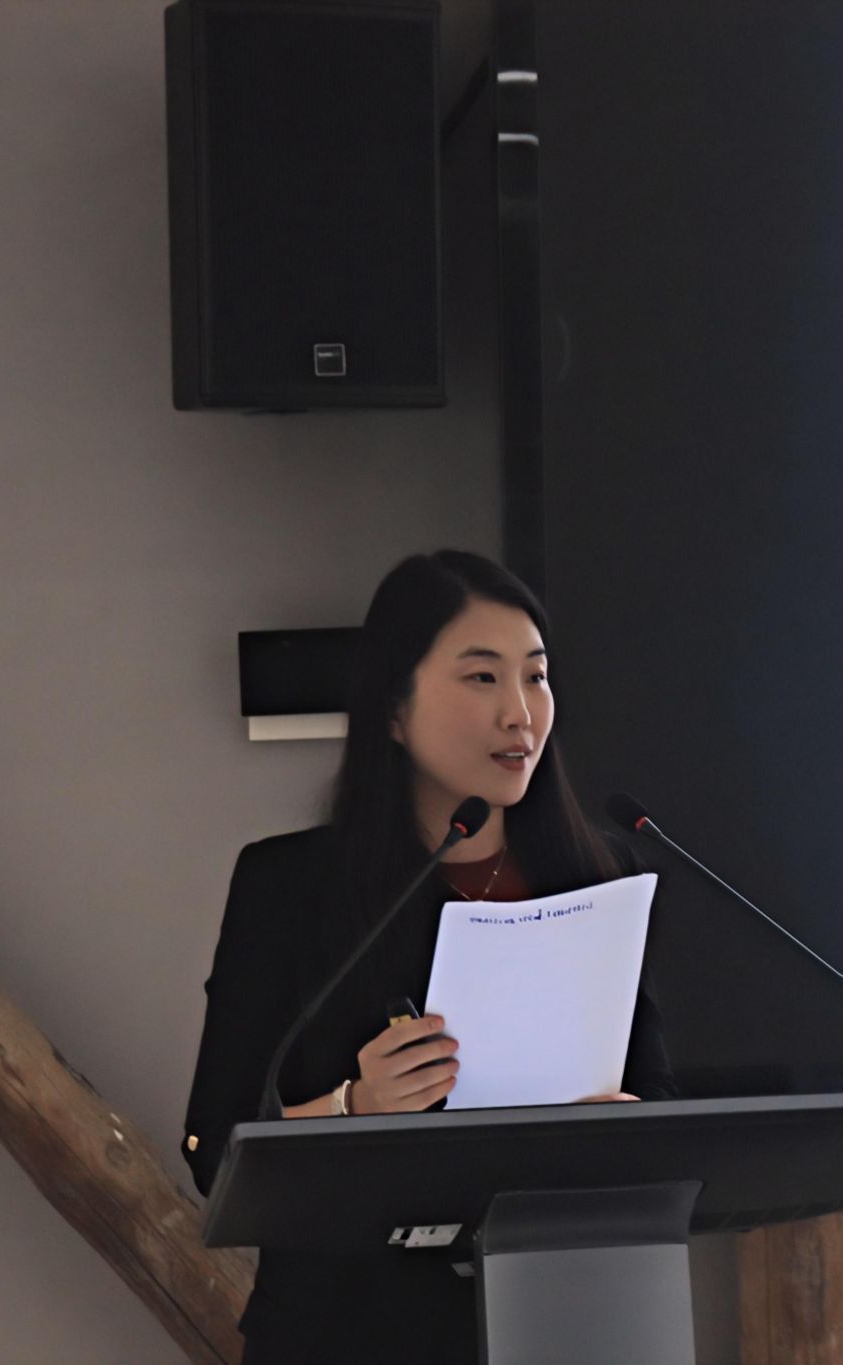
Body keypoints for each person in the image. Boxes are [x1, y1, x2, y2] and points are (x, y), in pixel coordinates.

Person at [180, 549, 678, 1364]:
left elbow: (654, 1093)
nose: (520, 712)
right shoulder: (289, 885)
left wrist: (624, 1128)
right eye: (483, 677)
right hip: (348, 1336)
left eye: (536, 676)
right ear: (393, 709)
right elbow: (214, 1148)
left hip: (572, 1319)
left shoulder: (599, 874)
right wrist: (352, 1107)